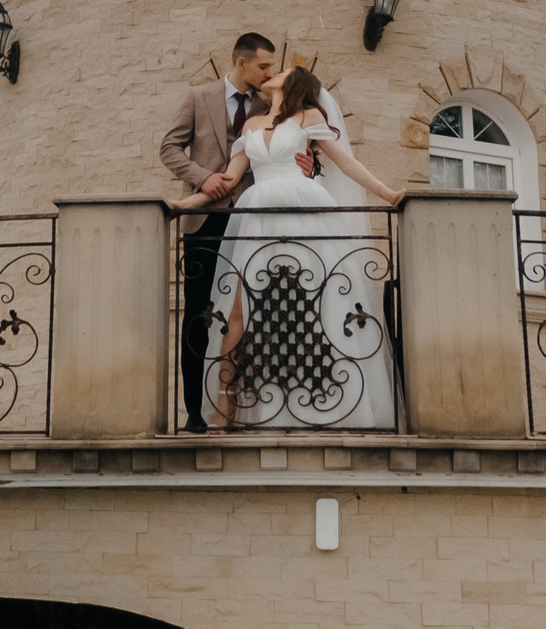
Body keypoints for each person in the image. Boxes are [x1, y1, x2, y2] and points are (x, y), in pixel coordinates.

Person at [182, 66, 403, 429]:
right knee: (239, 311)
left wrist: (389, 194)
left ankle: (325, 401)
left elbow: (345, 163)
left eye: (281, 69)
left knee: (313, 304)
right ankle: (225, 406)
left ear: (295, 82)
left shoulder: (308, 116)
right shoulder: (251, 125)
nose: (272, 71)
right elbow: (228, 179)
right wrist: (183, 205)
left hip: (303, 214)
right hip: (257, 217)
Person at [159, 32, 290, 433]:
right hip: (204, 221)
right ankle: (194, 414)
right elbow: (169, 149)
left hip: (252, 221)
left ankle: (244, 408)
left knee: (249, 312)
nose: (268, 73)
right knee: (199, 314)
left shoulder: (270, 106)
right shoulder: (197, 98)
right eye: (263, 66)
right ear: (241, 62)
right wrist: (203, 178)